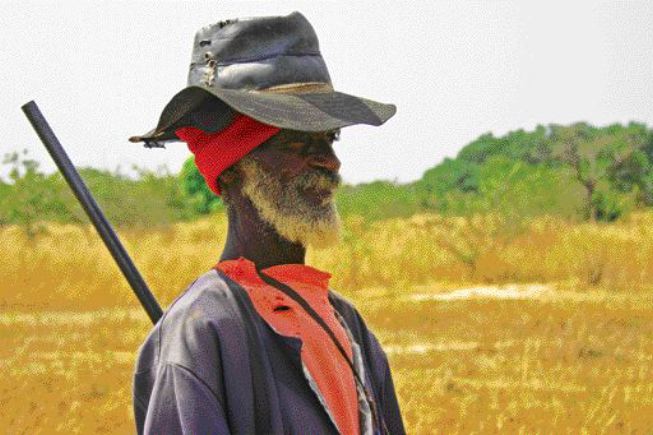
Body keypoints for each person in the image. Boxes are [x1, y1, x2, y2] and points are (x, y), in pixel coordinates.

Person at [130, 11, 405, 435]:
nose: (330, 162)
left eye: (328, 139)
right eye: (296, 141)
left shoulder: (346, 322)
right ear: (232, 167)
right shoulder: (202, 330)